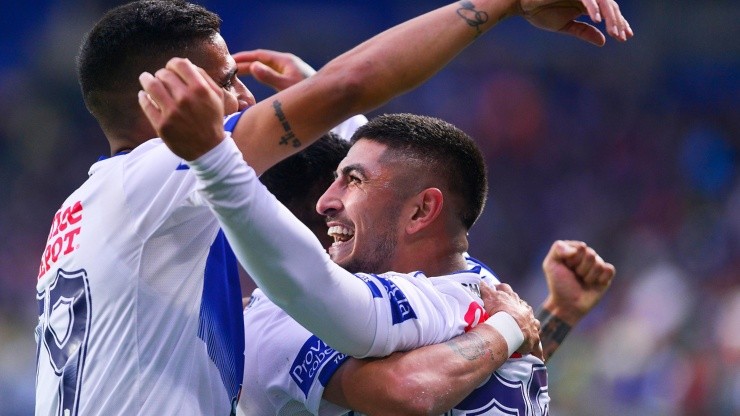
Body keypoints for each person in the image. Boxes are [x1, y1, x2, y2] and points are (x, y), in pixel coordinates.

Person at [34, 0, 629, 415]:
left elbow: (474, 375)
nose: (245, 97)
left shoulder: (89, 212)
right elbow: (415, 388)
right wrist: (499, 5)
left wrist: (548, 317)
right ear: (165, 92)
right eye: (223, 80)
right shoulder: (167, 173)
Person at [236, 114, 615, 415]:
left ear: (420, 211)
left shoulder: (474, 280)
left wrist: (558, 314)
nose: (329, 203)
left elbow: (492, 377)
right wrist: (506, 327)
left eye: (351, 181)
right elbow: (412, 392)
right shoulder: (287, 319)